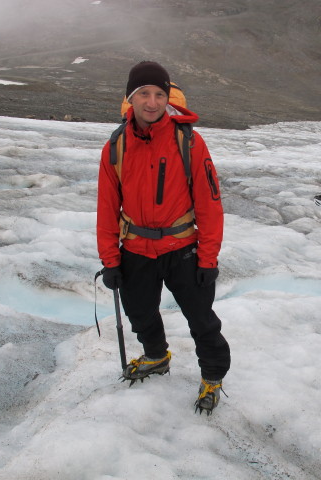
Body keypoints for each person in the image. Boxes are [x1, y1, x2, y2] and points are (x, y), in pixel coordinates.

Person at [96, 61, 230, 415]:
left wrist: (208, 258)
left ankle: (213, 377)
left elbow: (210, 204)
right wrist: (110, 259)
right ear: (131, 98)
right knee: (139, 313)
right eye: (143, 93)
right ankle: (157, 356)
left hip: (182, 247)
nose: (152, 102)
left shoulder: (189, 141)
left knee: (202, 319)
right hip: (136, 249)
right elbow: (107, 208)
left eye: (159, 94)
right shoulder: (115, 146)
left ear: (167, 98)